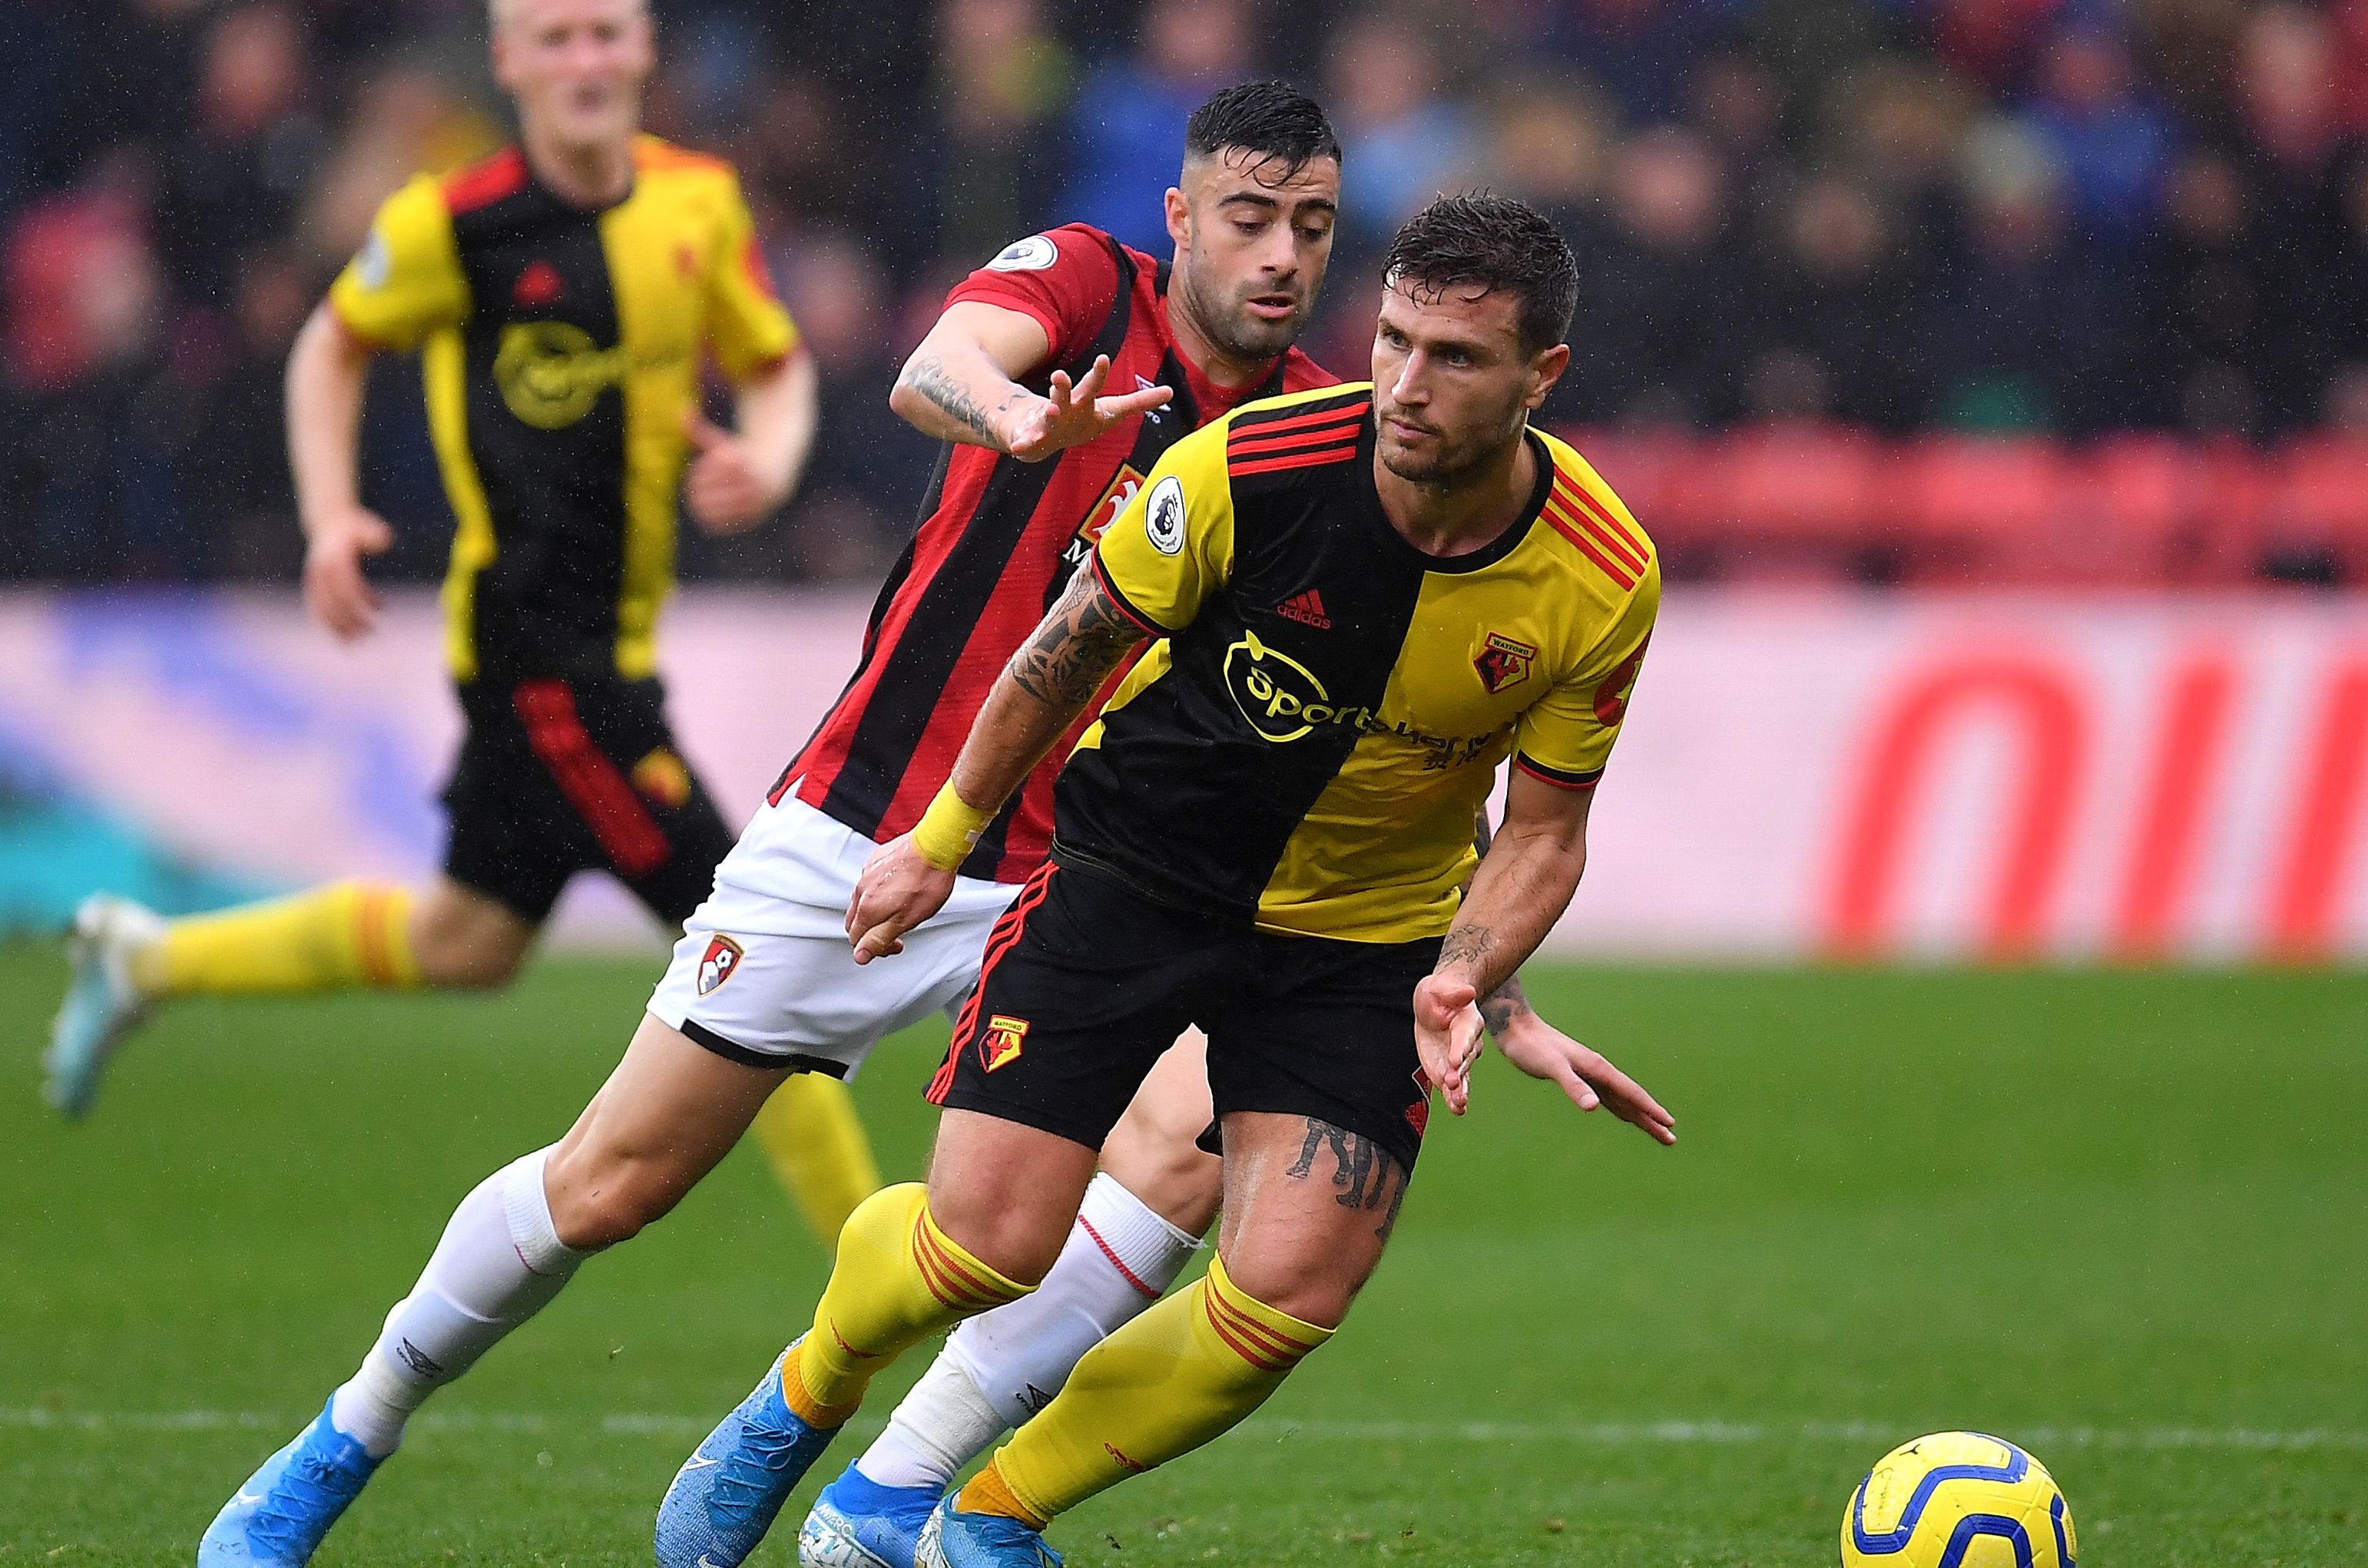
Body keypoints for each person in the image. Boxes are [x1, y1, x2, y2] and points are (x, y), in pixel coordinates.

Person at [191, 80, 1352, 1568]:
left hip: (1083, 874)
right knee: (613, 1180)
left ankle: (886, 1479)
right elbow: (936, 366)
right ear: (1184, 216)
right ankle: (348, 1430)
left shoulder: (1307, 436)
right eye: (1248, 219)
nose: (1278, 255)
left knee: (1189, 1145)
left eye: (1309, 227)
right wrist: (1021, 418)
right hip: (867, 823)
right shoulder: (1081, 282)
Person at [664, 194, 1677, 1568]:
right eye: (1390, 340)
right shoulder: (1244, 467)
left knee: (1285, 1296)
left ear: (1542, 377)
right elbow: (1061, 657)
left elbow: (1545, 829)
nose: (1404, 384)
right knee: (986, 1247)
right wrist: (943, 836)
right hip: (1136, 877)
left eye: (1455, 358)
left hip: (1358, 938)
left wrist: (1469, 971)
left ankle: (986, 1518)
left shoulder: (1603, 574)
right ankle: (810, 1383)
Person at [38, 0, 873, 1249]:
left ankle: (147, 960)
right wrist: (330, 517)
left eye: (608, 34)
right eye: (558, 37)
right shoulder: (455, 224)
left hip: (613, 644)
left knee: (468, 938)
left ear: (646, 50)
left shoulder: (698, 199)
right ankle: (880, 1259)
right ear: (508, 62)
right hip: (542, 654)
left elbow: (773, 361)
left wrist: (770, 453)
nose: (586, 60)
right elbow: (329, 345)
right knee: (752, 943)